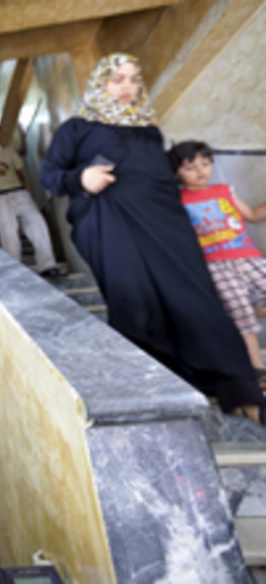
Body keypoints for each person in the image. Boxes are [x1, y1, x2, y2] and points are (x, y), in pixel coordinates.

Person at [40, 53, 266, 421]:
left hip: (165, 224)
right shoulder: (76, 129)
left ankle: (237, 387)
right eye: (117, 79)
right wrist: (80, 179)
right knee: (135, 302)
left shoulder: (149, 130)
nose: (127, 86)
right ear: (100, 84)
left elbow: (163, 177)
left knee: (194, 297)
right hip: (108, 223)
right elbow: (49, 175)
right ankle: (158, 388)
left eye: (133, 78)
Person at [168, 140, 266, 376]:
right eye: (190, 167)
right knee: (240, 313)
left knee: (243, 309)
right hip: (214, 264)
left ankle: (255, 309)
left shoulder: (225, 190)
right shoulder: (176, 199)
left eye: (205, 164)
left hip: (248, 257)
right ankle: (257, 367)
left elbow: (252, 215)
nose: (200, 171)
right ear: (176, 172)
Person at [0, 120, 61, 277]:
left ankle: (47, 265)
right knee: (7, 234)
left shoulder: (9, 151)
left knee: (37, 224)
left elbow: (18, 170)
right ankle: (16, 271)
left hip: (19, 192)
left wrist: (24, 183)